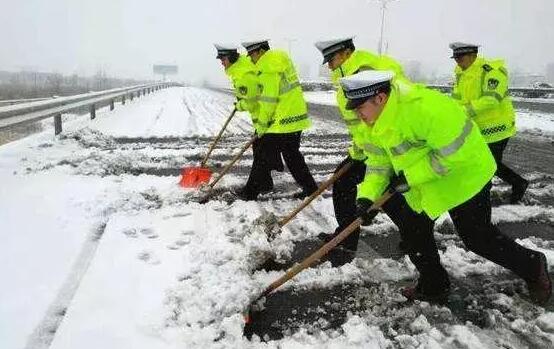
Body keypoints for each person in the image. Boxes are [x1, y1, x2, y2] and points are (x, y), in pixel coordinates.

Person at [339, 70, 551, 305]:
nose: (358, 114)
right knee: (412, 229)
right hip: (428, 180)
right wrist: (367, 198)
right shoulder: (373, 122)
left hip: (465, 176)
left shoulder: (427, 109)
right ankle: (434, 285)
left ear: (380, 98)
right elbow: (378, 165)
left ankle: (533, 265)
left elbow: (455, 156)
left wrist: (410, 177)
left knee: (477, 238)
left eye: (360, 107)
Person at [313, 37, 415, 265]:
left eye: (332, 58)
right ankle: (347, 237)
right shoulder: (348, 77)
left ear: (347, 52)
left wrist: (374, 154)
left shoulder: (364, 73)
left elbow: (379, 117)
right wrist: (357, 152)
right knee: (346, 184)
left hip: (385, 149)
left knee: (384, 197)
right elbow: (359, 124)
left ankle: (413, 237)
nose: (329, 64)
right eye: (327, 60)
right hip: (369, 148)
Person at [237, 40, 317, 201]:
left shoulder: (268, 66)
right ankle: (311, 188)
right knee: (292, 156)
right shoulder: (279, 59)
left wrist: (261, 124)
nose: (251, 59)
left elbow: (268, 100)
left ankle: (250, 193)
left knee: (262, 156)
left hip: (282, 121)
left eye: (252, 55)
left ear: (259, 51)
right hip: (294, 118)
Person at [449, 42, 528, 203]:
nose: (457, 60)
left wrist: (463, 111)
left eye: (460, 57)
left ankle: (485, 198)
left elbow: (491, 100)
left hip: (498, 127)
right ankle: (517, 183)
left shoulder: (491, 71)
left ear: (473, 55)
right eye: (455, 57)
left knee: (489, 164)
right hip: (478, 128)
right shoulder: (460, 72)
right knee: (487, 163)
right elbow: (457, 97)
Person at [215, 44, 281, 193]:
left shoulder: (243, 74)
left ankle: (252, 190)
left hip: (265, 117)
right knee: (260, 152)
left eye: (223, 59)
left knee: (260, 155)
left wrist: (240, 105)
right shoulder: (241, 68)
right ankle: (266, 183)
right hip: (263, 117)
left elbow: (252, 101)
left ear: (231, 58)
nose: (221, 62)